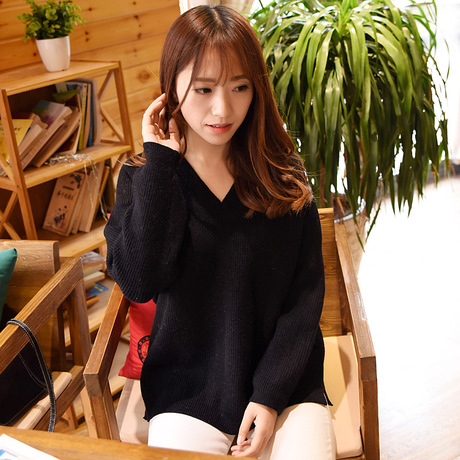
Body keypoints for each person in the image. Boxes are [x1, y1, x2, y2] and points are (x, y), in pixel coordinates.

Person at [104, 5, 336, 459]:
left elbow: (305, 299)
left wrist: (269, 396)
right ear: (171, 87)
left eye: (239, 87)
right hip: (188, 387)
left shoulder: (282, 174)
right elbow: (138, 281)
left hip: (286, 382)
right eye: (204, 88)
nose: (222, 109)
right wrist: (160, 164)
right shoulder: (145, 178)